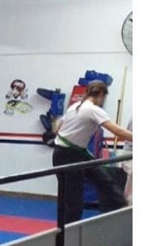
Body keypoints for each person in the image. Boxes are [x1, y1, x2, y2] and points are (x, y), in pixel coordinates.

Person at [52, 80, 133, 222]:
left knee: (103, 178)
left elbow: (57, 129)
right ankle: (68, 230)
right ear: (101, 94)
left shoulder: (75, 106)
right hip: (69, 155)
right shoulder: (93, 110)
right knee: (73, 199)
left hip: (73, 152)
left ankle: (123, 206)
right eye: (104, 98)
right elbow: (118, 131)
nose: (102, 101)